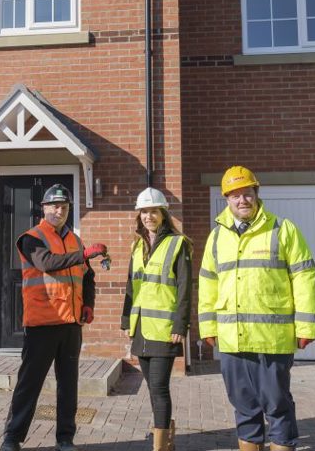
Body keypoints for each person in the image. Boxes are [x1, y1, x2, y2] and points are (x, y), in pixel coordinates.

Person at [198, 166, 315, 451]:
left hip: (272, 339)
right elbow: (207, 283)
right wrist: (208, 326)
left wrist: (306, 326)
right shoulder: (217, 237)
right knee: (243, 405)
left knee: (277, 405)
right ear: (226, 199)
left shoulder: (282, 229)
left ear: (257, 194)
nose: (242, 200)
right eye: (235, 195)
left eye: (247, 193)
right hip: (232, 339)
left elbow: (304, 277)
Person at [0, 183, 107, 451]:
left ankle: (65, 438)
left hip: (71, 324)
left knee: (68, 386)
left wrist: (89, 304)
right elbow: (47, 263)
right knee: (29, 384)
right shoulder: (31, 238)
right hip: (42, 325)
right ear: (44, 208)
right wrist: (82, 254)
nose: (60, 210)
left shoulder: (74, 239)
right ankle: (12, 438)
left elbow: (88, 276)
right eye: (54, 206)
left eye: (64, 206)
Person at [121, 187, 192, 451]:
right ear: (139, 216)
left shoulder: (178, 243)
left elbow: (185, 287)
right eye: (144, 212)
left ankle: (160, 446)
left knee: (160, 388)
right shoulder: (137, 245)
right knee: (151, 388)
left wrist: (180, 324)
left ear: (163, 214)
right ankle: (166, 436)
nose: (148, 216)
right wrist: (127, 320)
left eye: (153, 211)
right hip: (141, 328)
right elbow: (131, 286)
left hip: (165, 329)